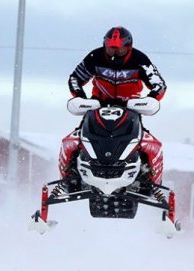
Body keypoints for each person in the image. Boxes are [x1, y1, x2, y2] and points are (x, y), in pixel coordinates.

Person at [59, 26, 167, 191]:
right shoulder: (95, 56)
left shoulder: (140, 59)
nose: (114, 54)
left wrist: (150, 100)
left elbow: (159, 84)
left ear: (128, 47)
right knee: (72, 142)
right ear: (104, 45)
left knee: (151, 145)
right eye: (110, 49)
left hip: (130, 108)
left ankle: (150, 182)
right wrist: (80, 96)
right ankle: (69, 179)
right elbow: (75, 78)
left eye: (119, 50)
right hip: (97, 106)